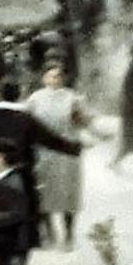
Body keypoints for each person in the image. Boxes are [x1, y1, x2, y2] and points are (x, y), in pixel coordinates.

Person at [0, 80, 82, 265]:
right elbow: (50, 140)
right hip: (22, 176)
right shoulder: (25, 119)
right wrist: (74, 148)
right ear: (19, 94)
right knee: (24, 225)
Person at [25, 61, 96, 250]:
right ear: (43, 78)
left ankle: (69, 235)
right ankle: (49, 233)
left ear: (63, 78)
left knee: (68, 195)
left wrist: (85, 118)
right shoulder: (34, 99)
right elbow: (27, 124)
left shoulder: (72, 98)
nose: (54, 79)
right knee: (44, 193)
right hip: (44, 152)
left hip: (66, 152)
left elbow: (83, 121)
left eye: (58, 76)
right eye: (50, 75)